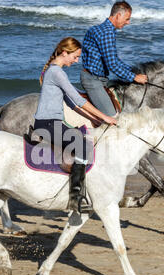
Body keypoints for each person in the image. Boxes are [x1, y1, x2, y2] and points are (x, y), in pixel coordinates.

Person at [34, 37, 117, 214]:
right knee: (82, 148)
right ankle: (75, 197)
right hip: (47, 124)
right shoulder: (57, 72)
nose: (77, 60)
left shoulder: (53, 71)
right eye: (75, 56)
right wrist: (106, 117)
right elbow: (79, 100)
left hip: (50, 122)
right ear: (65, 52)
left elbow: (72, 104)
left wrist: (93, 119)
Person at [81, 1, 148, 116]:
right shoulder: (107, 32)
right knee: (112, 117)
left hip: (100, 79)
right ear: (118, 16)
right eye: (127, 19)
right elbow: (112, 65)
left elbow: (114, 60)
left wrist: (131, 70)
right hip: (93, 80)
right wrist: (134, 77)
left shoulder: (103, 29)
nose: (128, 22)